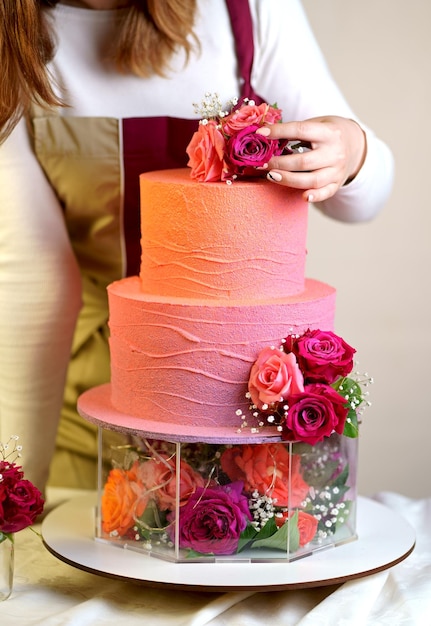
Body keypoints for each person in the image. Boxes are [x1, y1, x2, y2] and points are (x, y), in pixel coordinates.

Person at [0, 0, 394, 493]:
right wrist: (16, 491)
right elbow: (34, 279)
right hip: (91, 414)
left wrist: (353, 151)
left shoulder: (246, 11)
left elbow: (363, 201)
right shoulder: (11, 42)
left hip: (247, 428)